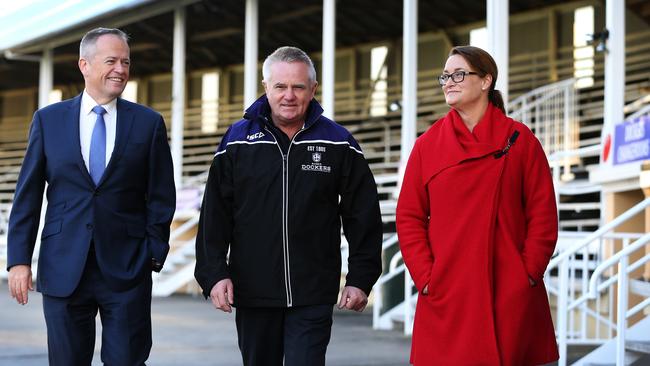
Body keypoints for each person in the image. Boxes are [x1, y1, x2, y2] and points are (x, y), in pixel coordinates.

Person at [194, 46, 382, 366]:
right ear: (266, 86)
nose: (289, 95)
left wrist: (360, 277)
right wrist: (213, 273)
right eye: (280, 86)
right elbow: (215, 215)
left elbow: (362, 215)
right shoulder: (236, 141)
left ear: (313, 89)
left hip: (313, 292)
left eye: (298, 86)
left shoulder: (338, 142)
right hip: (253, 291)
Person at [6, 28, 176, 365]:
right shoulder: (48, 121)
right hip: (63, 267)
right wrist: (19, 261)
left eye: (125, 62)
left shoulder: (148, 123)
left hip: (127, 269)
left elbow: (161, 196)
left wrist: (152, 254)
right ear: (84, 64)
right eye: (111, 60)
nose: (120, 69)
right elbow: (28, 195)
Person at [396, 46, 559, 366]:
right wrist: (426, 277)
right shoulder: (427, 144)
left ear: (486, 81)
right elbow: (409, 215)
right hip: (448, 292)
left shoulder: (520, 139)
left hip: (509, 290)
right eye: (445, 76)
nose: (449, 82)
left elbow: (542, 214)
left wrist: (526, 272)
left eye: (458, 74)